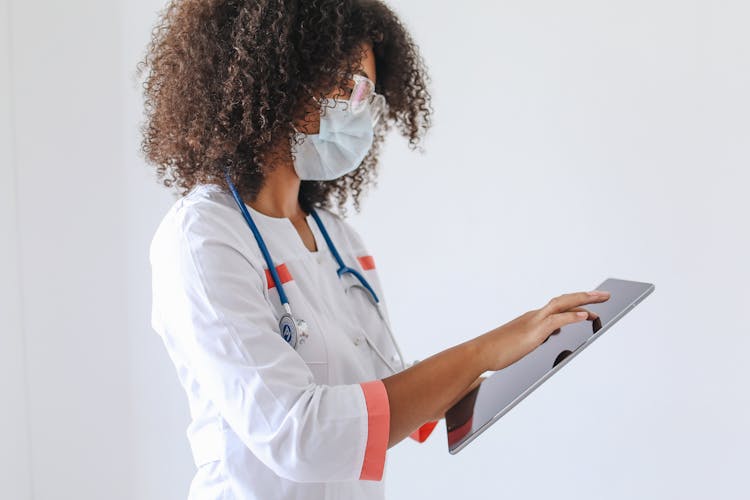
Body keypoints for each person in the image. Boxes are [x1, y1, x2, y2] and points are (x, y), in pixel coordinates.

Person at [138, 1, 611, 498]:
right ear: (279, 76)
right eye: (347, 85)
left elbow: (383, 394)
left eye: (367, 90)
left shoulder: (339, 240)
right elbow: (304, 435)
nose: (360, 107)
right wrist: (481, 352)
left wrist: (519, 354)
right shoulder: (201, 238)